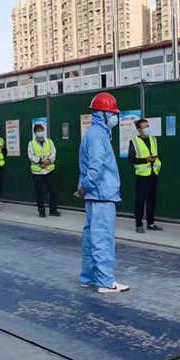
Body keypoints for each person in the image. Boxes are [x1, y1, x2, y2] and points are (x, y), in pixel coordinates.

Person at [77, 92, 128, 293]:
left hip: (94, 195)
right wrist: (86, 185)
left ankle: (89, 277)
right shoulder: (98, 136)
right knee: (103, 239)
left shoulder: (93, 134)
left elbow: (88, 166)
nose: (115, 117)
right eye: (113, 113)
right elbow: (96, 168)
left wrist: (84, 186)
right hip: (102, 195)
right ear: (103, 114)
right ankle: (105, 282)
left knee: (91, 238)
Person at [128, 118, 162, 233]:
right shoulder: (134, 141)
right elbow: (131, 159)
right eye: (145, 127)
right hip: (142, 175)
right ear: (139, 130)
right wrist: (146, 160)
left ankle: (151, 223)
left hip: (153, 173)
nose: (147, 128)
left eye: (148, 126)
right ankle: (139, 224)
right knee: (140, 200)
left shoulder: (153, 139)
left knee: (152, 200)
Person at [28, 123, 61, 217]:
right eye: (38, 131)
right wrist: (40, 161)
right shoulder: (31, 143)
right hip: (37, 172)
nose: (40, 132)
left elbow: (53, 153)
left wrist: (49, 161)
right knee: (39, 192)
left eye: (41, 130)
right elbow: (30, 156)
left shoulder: (49, 142)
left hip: (49, 170)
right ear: (35, 133)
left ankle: (53, 210)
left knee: (53, 191)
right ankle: (41, 211)